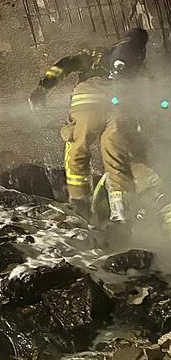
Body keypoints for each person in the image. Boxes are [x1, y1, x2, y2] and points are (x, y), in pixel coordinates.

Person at [30, 28, 148, 220]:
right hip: (120, 109)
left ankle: (81, 205)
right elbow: (146, 95)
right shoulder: (138, 65)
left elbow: (65, 64)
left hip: (89, 101)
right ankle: (122, 215)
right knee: (117, 160)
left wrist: (44, 87)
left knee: (78, 147)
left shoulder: (100, 54)